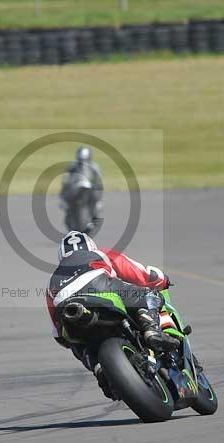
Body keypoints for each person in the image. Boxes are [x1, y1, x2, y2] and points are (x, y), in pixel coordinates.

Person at [45, 230, 178, 399]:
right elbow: (139, 274)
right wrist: (161, 280)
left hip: (65, 307)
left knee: (74, 342)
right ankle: (151, 329)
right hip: (98, 287)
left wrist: (71, 342)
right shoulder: (99, 253)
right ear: (90, 245)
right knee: (148, 295)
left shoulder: (52, 278)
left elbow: (58, 333)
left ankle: (98, 369)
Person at [60, 146, 104, 233]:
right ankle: (70, 220)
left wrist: (99, 199)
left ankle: (93, 219)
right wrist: (63, 197)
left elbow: (99, 183)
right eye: (81, 160)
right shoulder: (72, 167)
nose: (83, 163)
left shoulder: (95, 167)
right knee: (67, 205)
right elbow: (65, 181)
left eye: (85, 160)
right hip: (76, 189)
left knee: (96, 205)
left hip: (90, 190)